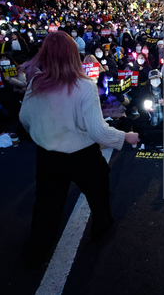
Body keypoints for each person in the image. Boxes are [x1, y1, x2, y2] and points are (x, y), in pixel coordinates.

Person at [19, 31, 138, 268]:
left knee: (46, 205)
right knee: (99, 190)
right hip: (82, 154)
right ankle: (101, 225)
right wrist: (125, 136)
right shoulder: (84, 86)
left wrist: (44, 134)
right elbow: (97, 131)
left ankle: (35, 252)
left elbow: (24, 118)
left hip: (48, 156)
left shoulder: (35, 83)